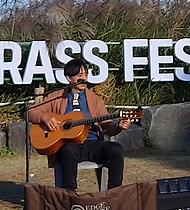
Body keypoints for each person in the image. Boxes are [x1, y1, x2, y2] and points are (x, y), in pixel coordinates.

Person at [27, 57, 132, 190]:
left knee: (116, 149)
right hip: (68, 146)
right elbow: (29, 112)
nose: (83, 78)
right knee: (69, 151)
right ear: (69, 78)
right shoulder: (56, 97)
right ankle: (69, 193)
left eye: (85, 74)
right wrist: (45, 118)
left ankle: (114, 192)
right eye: (79, 75)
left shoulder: (95, 100)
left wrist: (118, 126)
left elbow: (107, 127)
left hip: (93, 144)